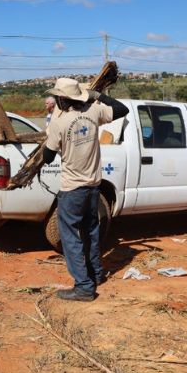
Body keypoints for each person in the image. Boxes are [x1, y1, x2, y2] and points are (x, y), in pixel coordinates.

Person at [42, 78, 129, 302]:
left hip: (72, 189)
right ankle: (96, 273)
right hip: (93, 187)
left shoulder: (59, 124)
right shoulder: (93, 112)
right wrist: (96, 95)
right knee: (90, 232)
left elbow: (48, 156)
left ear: (62, 99)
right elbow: (122, 109)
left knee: (70, 237)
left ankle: (83, 287)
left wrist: (55, 132)